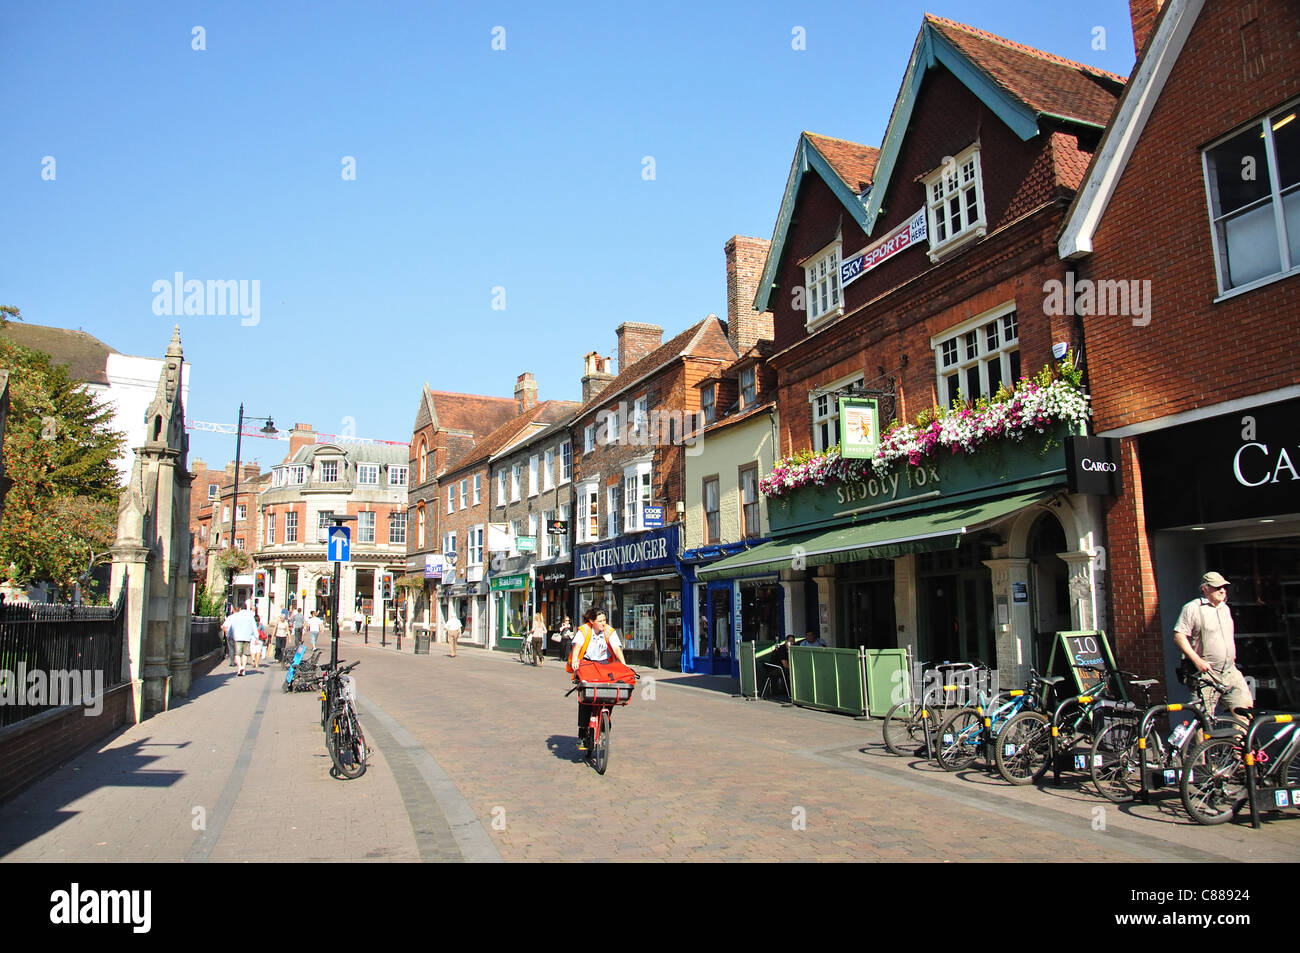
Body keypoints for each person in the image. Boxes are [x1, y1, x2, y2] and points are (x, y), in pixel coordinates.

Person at [1173, 571, 1253, 717]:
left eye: (1223, 587)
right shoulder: (1193, 608)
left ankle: (1237, 741)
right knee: (1203, 720)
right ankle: (1206, 741)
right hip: (1206, 674)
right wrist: (1197, 661)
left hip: (1230, 671)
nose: (1222, 590)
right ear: (1205, 588)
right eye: (1217, 587)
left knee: (1245, 711)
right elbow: (1179, 636)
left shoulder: (1225, 609)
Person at [569, 607, 628, 750]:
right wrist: (575, 660)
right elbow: (577, 646)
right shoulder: (584, 630)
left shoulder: (609, 631)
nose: (603, 623)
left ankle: (604, 725)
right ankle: (582, 733)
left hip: (604, 665)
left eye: (605, 620)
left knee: (611, 694)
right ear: (591, 621)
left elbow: (616, 648)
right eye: (600, 621)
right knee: (585, 698)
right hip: (587, 664)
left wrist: (623, 664)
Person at [227, 600, 257, 676]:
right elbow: (254, 627)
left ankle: (240, 667)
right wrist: (256, 637)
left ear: (239, 608)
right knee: (245, 654)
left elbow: (231, 627)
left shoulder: (236, 616)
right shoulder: (250, 616)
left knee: (237, 654)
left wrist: (229, 635)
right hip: (247, 637)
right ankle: (243, 669)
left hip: (237, 637)